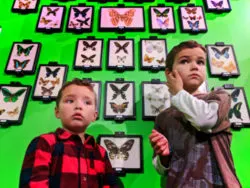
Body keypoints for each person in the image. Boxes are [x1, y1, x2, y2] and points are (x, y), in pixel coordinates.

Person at [149, 40, 241, 187]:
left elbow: (204, 120)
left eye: (200, 62)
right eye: (185, 61)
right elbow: (160, 169)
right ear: (169, 73)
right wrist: (164, 157)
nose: (194, 67)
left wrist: (178, 92)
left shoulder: (219, 97)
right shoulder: (164, 117)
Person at [20, 78, 118, 188]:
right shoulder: (44, 143)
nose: (78, 106)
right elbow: (34, 184)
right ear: (57, 112)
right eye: (70, 101)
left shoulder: (101, 152)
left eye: (87, 102)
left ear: (94, 115)